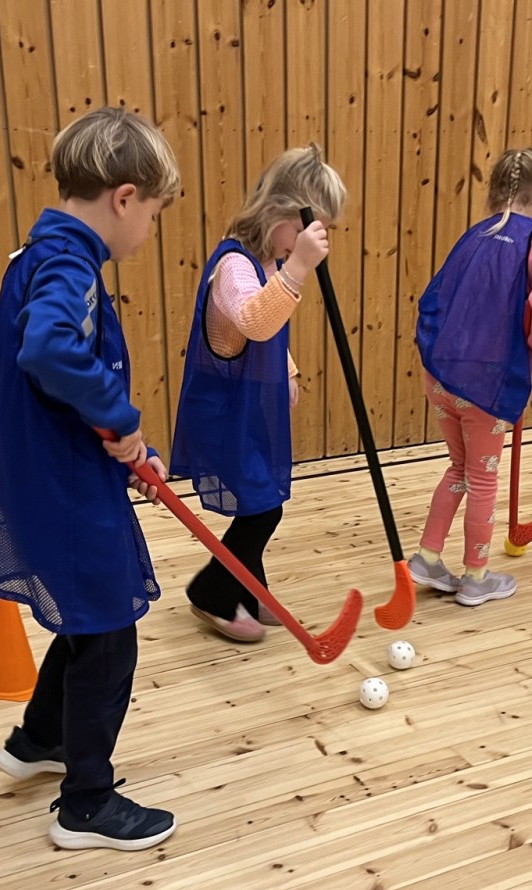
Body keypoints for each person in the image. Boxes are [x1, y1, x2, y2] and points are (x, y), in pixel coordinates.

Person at [0, 107, 181, 851]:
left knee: (86, 620)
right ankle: (87, 805)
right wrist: (122, 421)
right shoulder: (70, 264)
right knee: (109, 638)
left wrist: (123, 446)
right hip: (65, 490)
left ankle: (40, 738)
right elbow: (51, 351)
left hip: (54, 477)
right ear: (124, 199)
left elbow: (57, 381)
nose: (148, 230)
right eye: (153, 213)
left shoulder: (38, 254)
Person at [169, 145, 347, 643]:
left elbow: (268, 334)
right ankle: (212, 591)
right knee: (262, 508)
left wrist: (287, 371)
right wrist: (299, 268)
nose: (312, 242)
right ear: (280, 213)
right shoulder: (234, 265)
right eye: (310, 229)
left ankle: (251, 588)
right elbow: (253, 320)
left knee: (261, 501)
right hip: (225, 413)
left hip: (250, 411)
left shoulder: (267, 262)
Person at [410, 148, 532, 606]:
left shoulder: (475, 235)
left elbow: (434, 297)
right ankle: (476, 577)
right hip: (487, 385)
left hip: (440, 375)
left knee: (459, 469)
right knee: (482, 478)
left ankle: (427, 557)